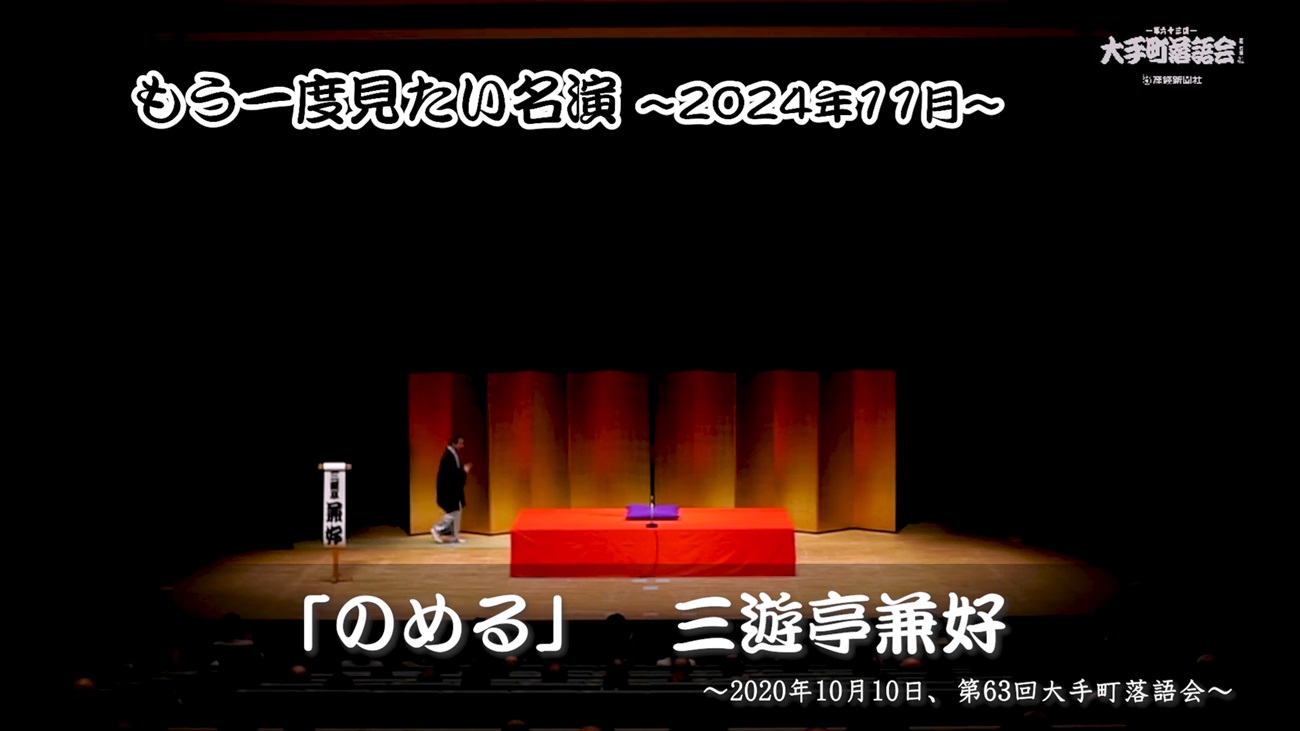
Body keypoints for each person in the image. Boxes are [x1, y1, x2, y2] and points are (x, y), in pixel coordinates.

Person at [432, 434, 471, 543]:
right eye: (460, 443)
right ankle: (437, 529)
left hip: (453, 490)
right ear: (454, 443)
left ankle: (455, 536)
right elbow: (451, 476)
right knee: (454, 512)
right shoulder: (448, 456)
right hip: (448, 490)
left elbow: (455, 473)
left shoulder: (453, 454)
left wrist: (463, 471)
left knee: (457, 512)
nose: (462, 446)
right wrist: (464, 471)